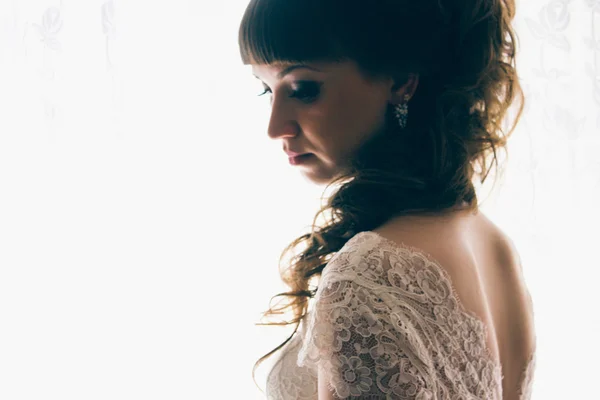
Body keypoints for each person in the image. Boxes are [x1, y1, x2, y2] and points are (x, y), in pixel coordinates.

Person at [238, 0, 537, 398]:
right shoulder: (491, 240)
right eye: (266, 89)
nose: (276, 126)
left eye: (303, 89)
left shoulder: (367, 276)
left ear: (399, 80)